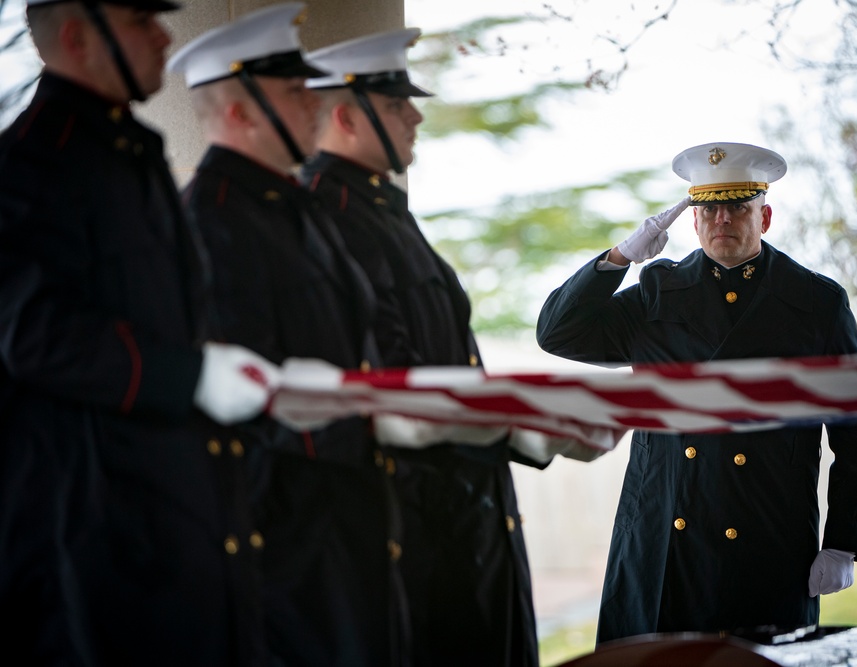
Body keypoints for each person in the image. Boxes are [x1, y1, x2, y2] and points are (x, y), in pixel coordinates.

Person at [0, 0, 278, 664]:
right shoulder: (28, 165)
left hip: (170, 503)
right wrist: (192, 377)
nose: (163, 35)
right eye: (139, 20)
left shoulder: (132, 152)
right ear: (76, 37)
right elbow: (34, 334)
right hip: (89, 520)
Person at [536, 142, 857, 641]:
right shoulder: (657, 292)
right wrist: (619, 258)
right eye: (709, 209)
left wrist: (845, 540)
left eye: (737, 207)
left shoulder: (815, 301)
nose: (723, 219)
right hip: (662, 537)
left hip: (769, 534)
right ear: (693, 222)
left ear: (764, 217)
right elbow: (557, 334)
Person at [167, 5, 409, 665]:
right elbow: (245, 395)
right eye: (295, 90)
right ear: (242, 112)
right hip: (284, 543)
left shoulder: (296, 208)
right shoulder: (207, 225)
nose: (314, 102)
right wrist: (384, 420)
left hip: (347, 522)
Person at [303, 29, 540, 667]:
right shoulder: (329, 216)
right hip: (419, 523)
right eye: (396, 104)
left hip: (461, 510)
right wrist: (517, 423)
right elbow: (392, 377)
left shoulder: (382, 207)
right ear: (347, 115)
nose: (416, 115)